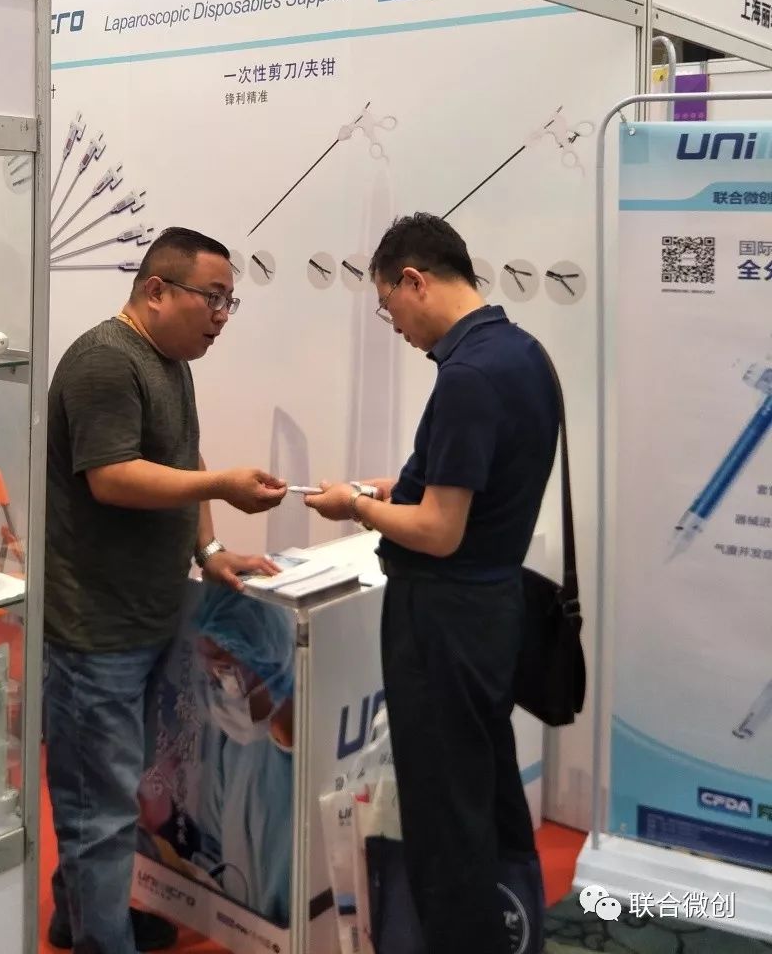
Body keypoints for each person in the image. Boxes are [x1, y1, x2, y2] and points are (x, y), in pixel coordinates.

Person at [306, 213, 559, 954]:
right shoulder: (522, 353)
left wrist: (355, 507)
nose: (396, 328)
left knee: (445, 815)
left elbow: (441, 530)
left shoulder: (468, 377)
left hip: (444, 618)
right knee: (485, 790)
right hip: (491, 608)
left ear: (414, 280)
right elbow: (472, 488)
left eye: (390, 306)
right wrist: (393, 489)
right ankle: (512, 930)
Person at [44, 227, 287, 954]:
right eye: (212, 298)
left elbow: (184, 455)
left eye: (229, 301)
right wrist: (221, 486)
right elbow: (113, 477)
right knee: (100, 805)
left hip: (148, 615)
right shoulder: (105, 361)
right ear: (156, 290)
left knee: (112, 790)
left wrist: (207, 548)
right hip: (96, 629)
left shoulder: (170, 362)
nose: (221, 316)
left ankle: (80, 916)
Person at [190, 585, 295, 926]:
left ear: (266, 661)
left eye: (224, 671)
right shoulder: (233, 746)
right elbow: (212, 849)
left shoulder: (312, 762)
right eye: (210, 674)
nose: (219, 689)